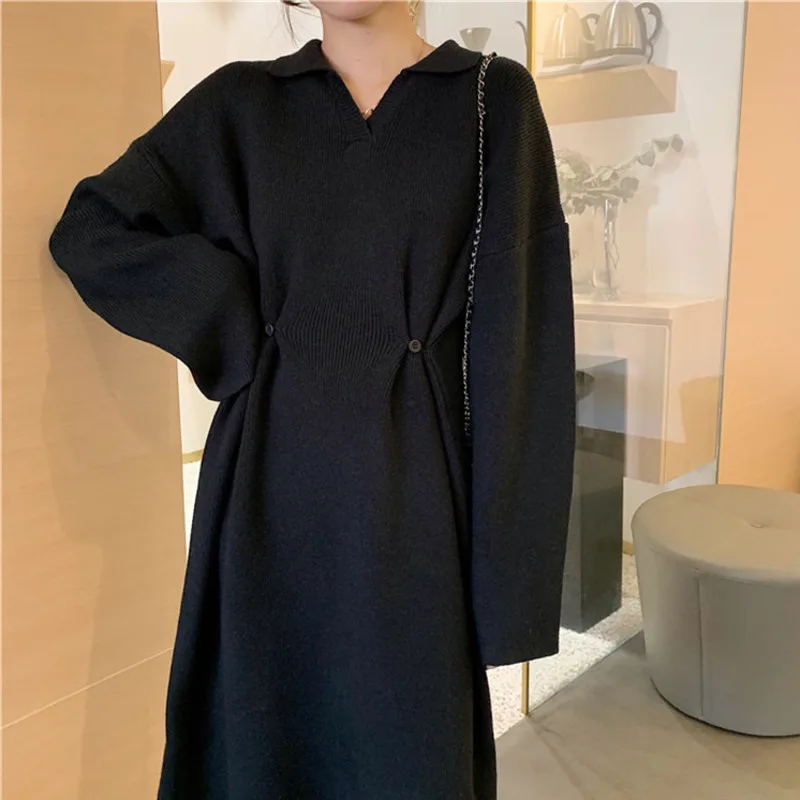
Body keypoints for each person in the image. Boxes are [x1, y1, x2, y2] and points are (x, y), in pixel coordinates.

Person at [49, 1, 575, 797]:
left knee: (406, 754)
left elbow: (523, 348)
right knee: (267, 746)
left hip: (415, 509)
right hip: (266, 496)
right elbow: (94, 228)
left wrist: (511, 593)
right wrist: (237, 324)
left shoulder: (490, 99)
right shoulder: (240, 104)